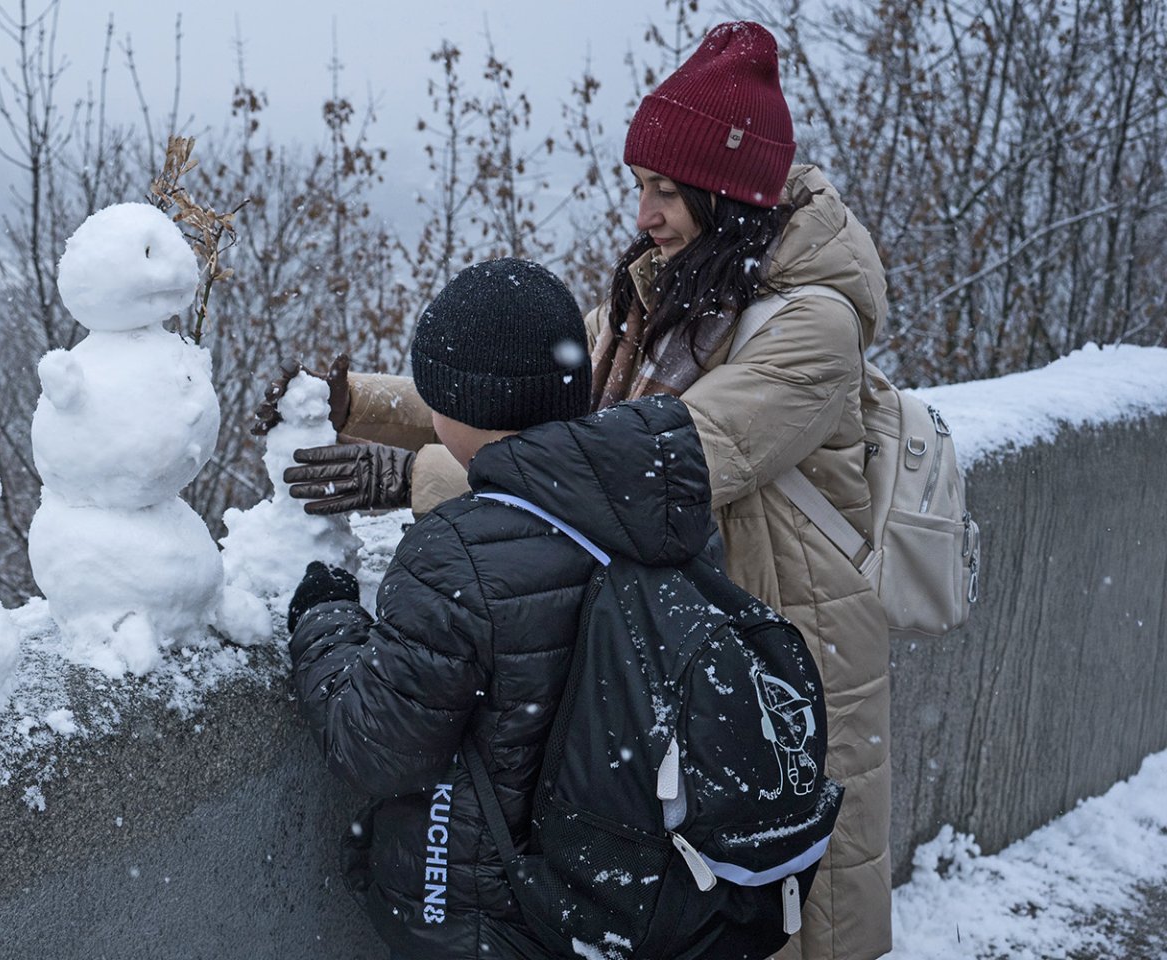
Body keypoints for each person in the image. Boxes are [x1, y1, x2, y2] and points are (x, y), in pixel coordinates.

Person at [261, 21, 891, 960]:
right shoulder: (667, 290)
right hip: (663, 654)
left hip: (762, 647)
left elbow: (652, 463)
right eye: (641, 186)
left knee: (771, 906)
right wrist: (359, 404)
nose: (644, 214)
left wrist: (419, 478)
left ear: (730, 195)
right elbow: (530, 397)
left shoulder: (811, 329)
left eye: (666, 191)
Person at [286, 256, 723, 958]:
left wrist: (324, 617)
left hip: (497, 909)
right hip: (634, 886)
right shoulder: (664, 514)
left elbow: (374, 747)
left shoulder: (455, 553)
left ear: (458, 409)